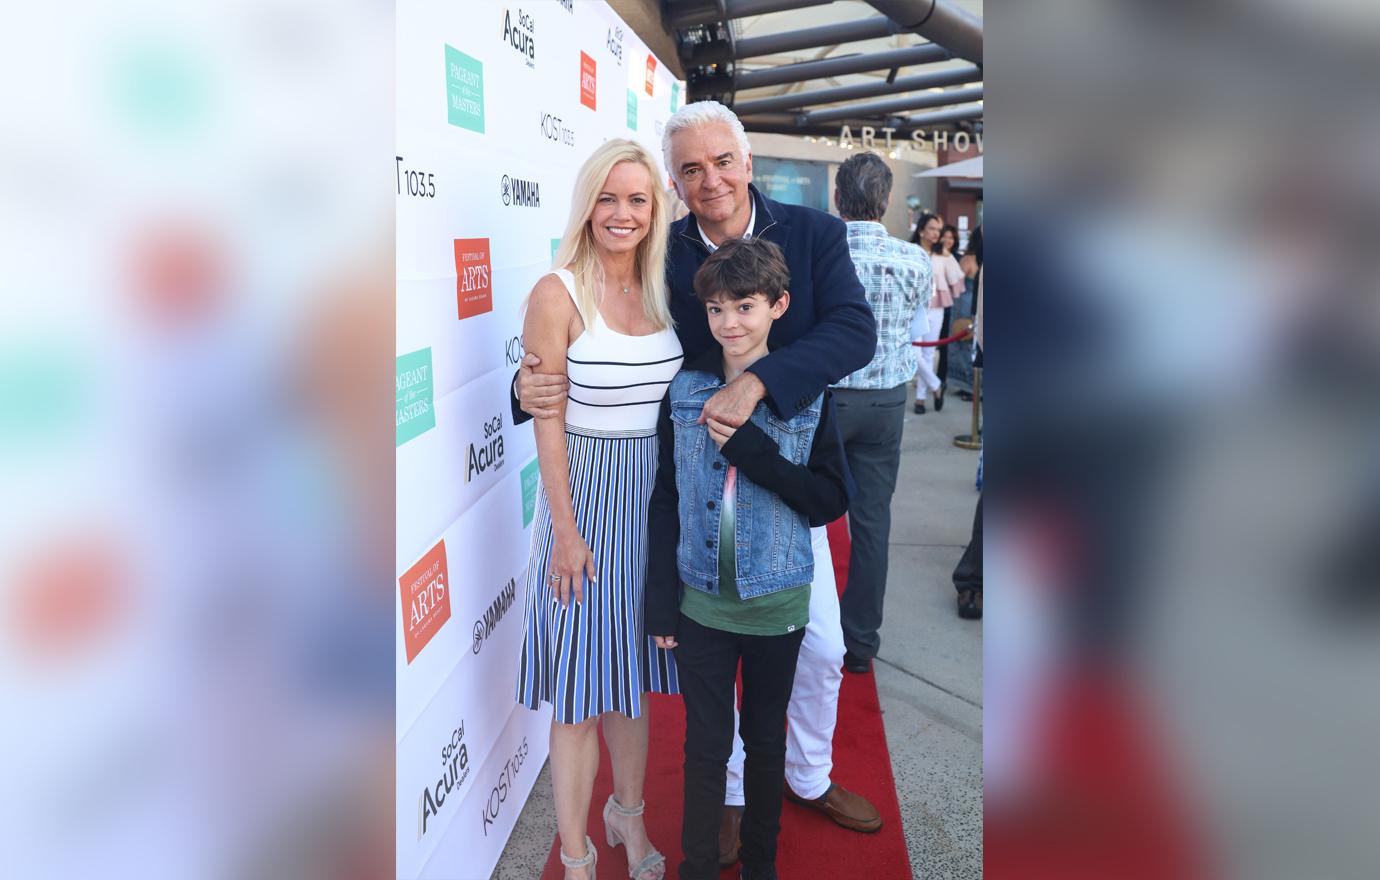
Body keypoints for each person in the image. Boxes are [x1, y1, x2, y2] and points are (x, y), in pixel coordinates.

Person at [515, 100, 883, 865]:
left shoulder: (814, 234)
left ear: (747, 162)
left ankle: (807, 777)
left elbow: (853, 330)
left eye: (721, 161)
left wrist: (759, 386)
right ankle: (733, 800)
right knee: (685, 671)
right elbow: (600, 352)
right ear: (675, 185)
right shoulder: (663, 253)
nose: (708, 179)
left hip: (781, 481)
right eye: (689, 169)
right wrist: (522, 389)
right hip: (680, 491)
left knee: (818, 648)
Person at [646, 237, 850, 880]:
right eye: (716, 309)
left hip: (777, 601)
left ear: (779, 305)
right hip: (700, 600)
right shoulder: (684, 390)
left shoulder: (811, 394)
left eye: (745, 306)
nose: (729, 323)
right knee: (705, 748)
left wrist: (756, 454)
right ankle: (697, 865)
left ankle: (761, 865)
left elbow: (829, 500)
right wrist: (662, 604)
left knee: (764, 744)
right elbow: (668, 501)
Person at [514, 139, 679, 880]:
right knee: (582, 693)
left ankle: (628, 818)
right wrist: (567, 531)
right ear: (587, 205)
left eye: (637, 199)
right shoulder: (558, 292)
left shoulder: (668, 286)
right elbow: (546, 417)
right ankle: (575, 853)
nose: (623, 214)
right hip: (580, 502)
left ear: (656, 208)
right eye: (608, 198)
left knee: (632, 679)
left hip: (652, 503)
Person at [829, 152, 931, 673]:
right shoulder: (916, 259)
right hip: (887, 399)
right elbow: (915, 319)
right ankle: (861, 644)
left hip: (827, 398)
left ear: (836, 198)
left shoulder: (818, 253)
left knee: (801, 516)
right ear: (887, 200)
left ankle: (805, 629)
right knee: (872, 523)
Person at [909, 213, 943, 413]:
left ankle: (921, 399)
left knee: (929, 353)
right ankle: (936, 385)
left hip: (937, 307)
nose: (935, 233)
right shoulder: (910, 251)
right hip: (915, 307)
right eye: (932, 228)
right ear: (921, 230)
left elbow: (957, 279)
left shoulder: (943, 255)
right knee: (915, 353)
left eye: (938, 229)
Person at [932, 223, 966, 402]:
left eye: (952, 238)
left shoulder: (957, 258)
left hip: (953, 307)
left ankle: (941, 378)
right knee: (935, 345)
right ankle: (934, 381)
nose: (948, 240)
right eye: (945, 236)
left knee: (945, 345)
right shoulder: (934, 254)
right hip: (936, 305)